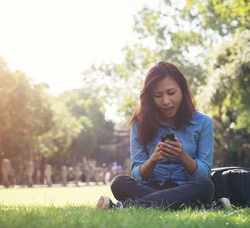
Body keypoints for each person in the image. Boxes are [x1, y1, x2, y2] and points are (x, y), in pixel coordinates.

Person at [96, 61, 228, 210]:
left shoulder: (203, 122)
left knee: (205, 185)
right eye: (158, 96)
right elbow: (137, 175)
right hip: (152, 187)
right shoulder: (139, 124)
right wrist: (153, 159)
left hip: (186, 188)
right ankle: (193, 205)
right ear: (150, 97)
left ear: (183, 91)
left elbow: (203, 174)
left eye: (171, 93)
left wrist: (182, 156)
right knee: (118, 182)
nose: (165, 101)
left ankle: (128, 207)